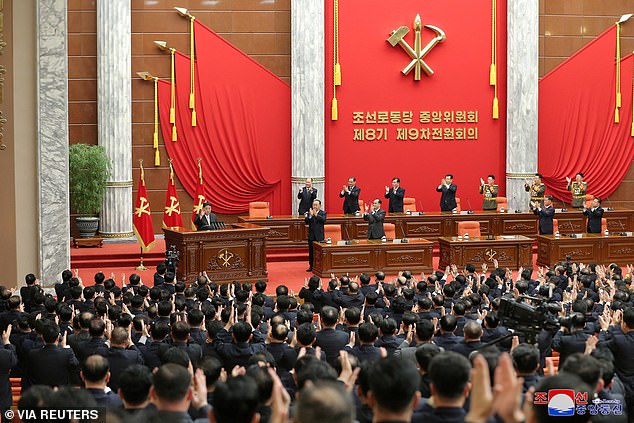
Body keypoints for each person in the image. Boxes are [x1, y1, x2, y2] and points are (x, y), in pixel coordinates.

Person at [304, 199, 326, 272]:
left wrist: (316, 215)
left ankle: (319, 266)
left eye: (316, 205)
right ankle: (311, 266)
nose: (315, 206)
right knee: (311, 251)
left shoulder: (323, 213)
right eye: (313, 205)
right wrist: (310, 215)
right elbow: (306, 222)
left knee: (319, 252)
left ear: (320, 206)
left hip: (319, 236)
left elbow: (323, 220)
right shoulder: (309, 213)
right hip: (311, 235)